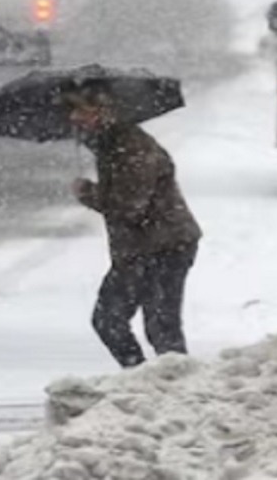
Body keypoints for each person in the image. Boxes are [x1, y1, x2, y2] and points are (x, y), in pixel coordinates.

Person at [64, 85, 202, 368]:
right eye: (72, 111)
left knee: (157, 326)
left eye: (83, 110)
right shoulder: (110, 144)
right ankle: (145, 383)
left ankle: (170, 387)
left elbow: (130, 206)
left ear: (105, 111)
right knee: (113, 320)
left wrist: (89, 193)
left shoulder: (132, 147)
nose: (75, 118)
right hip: (140, 248)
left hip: (164, 245)